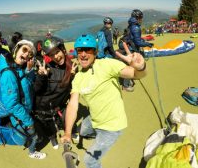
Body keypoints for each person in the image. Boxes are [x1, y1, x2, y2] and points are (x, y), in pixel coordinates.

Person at [61, 34, 147, 168]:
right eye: (80, 50)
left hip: (112, 127)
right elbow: (73, 104)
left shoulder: (107, 64)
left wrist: (140, 66)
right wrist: (67, 132)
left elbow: (135, 74)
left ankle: (100, 142)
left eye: (88, 50)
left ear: (95, 52)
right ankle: (95, 137)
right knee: (82, 131)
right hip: (94, 119)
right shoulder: (78, 77)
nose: (83, 54)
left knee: (90, 161)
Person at [0, 40, 46, 159]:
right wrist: (28, 121)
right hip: (19, 115)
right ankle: (32, 153)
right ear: (16, 50)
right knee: (34, 136)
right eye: (25, 50)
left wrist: (28, 70)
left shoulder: (17, 68)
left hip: (23, 111)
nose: (27, 54)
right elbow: (11, 105)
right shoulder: (9, 74)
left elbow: (24, 84)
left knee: (33, 134)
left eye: (30, 54)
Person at [33, 36, 78, 150]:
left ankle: (71, 131)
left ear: (63, 49)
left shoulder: (71, 67)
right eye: (52, 55)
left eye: (57, 52)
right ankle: (52, 138)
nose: (56, 57)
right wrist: (41, 76)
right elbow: (37, 90)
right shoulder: (47, 69)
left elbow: (69, 88)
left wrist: (72, 75)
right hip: (43, 106)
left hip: (59, 104)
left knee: (65, 119)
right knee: (48, 126)